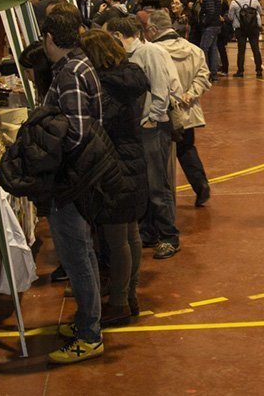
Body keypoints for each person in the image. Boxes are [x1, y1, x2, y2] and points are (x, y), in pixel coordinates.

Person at [38, 8, 109, 363]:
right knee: (83, 254)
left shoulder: (70, 73)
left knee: (77, 255)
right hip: (80, 176)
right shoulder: (80, 66)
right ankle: (87, 318)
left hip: (71, 179)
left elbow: (76, 133)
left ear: (50, 38)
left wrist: (42, 146)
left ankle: (90, 334)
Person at [78, 29, 149, 325]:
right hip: (133, 161)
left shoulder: (104, 88)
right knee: (129, 235)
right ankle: (129, 295)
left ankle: (119, 302)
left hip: (114, 165)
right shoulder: (130, 77)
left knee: (118, 239)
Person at [106, 15, 184, 260]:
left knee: (158, 183)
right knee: (146, 182)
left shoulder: (150, 52)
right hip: (141, 126)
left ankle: (169, 235)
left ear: (118, 36)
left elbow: (162, 86)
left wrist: (154, 115)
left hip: (153, 127)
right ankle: (150, 230)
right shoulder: (131, 56)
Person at [147, 10, 213, 207]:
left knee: (159, 157)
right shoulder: (194, 49)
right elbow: (203, 76)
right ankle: (201, 185)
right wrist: (190, 93)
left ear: (153, 29)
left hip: (161, 112)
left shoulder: (152, 51)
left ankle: (162, 199)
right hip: (187, 110)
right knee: (186, 149)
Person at [229, 0, 263, 77]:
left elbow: (231, 17)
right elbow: (260, 12)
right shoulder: (254, 0)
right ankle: (259, 71)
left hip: (240, 29)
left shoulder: (234, 2)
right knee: (255, 49)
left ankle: (240, 71)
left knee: (241, 50)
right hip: (253, 28)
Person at [198, 0, 224, 80]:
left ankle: (206, 72)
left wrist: (204, 22)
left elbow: (210, 11)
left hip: (210, 26)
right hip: (216, 25)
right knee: (213, 49)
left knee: (204, 47)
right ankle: (213, 73)